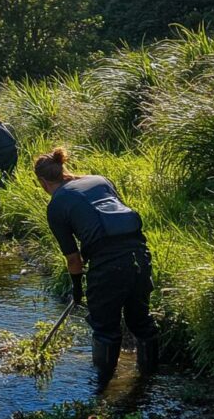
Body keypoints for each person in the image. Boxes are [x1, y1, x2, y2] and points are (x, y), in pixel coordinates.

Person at [35, 147, 159, 389]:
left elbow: (74, 259)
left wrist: (77, 288)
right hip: (140, 256)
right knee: (141, 322)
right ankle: (149, 382)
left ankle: (103, 390)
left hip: (108, 266)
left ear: (41, 181)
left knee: (105, 329)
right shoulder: (99, 180)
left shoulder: (57, 205)